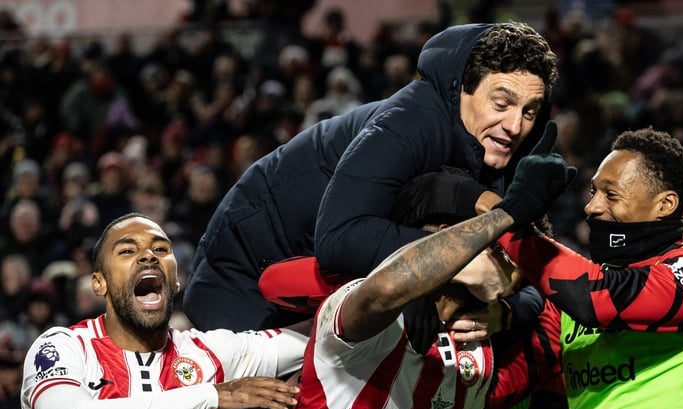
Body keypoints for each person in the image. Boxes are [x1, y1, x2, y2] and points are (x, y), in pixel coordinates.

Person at [183, 21, 559, 331]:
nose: (514, 125)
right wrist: (458, 264)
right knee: (253, 406)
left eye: (529, 111)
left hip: (322, 287)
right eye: (502, 103)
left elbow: (539, 270)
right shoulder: (410, 121)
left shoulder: (510, 148)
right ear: (463, 87)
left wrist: (503, 316)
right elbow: (340, 239)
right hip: (244, 269)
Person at [269, 154, 577, 409]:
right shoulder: (366, 307)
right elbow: (383, 290)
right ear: (448, 237)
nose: (516, 262)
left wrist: (511, 310)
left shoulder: (477, 350)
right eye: (501, 243)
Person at [494, 127, 683, 409]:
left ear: (664, 204)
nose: (592, 207)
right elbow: (501, 391)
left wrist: (510, 219)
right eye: (593, 192)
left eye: (611, 194)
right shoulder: (566, 301)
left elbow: (596, 299)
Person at [19, 213, 307, 409]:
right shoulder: (61, 348)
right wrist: (211, 395)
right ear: (99, 283)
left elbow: (323, 334)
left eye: (160, 249)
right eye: (128, 251)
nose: (148, 256)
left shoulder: (211, 353)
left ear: (176, 282)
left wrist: (344, 294)